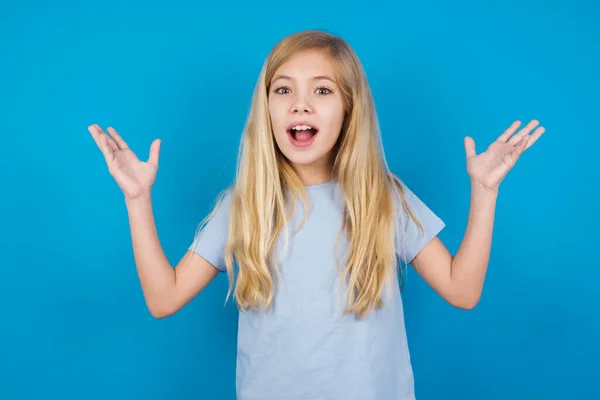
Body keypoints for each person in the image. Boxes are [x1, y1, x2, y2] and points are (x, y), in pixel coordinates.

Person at [88, 29, 545, 400]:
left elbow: (462, 291)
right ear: (266, 109)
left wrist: (484, 192)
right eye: (283, 89)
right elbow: (163, 299)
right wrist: (136, 199)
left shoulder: (385, 198)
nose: (300, 104)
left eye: (322, 90)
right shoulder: (243, 205)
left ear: (349, 110)